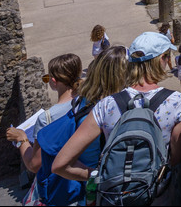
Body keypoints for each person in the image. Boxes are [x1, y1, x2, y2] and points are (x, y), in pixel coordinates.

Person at [52, 33, 181, 200]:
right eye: (167, 57)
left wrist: (101, 176)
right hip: (156, 194)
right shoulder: (176, 101)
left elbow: (60, 165)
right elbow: (175, 156)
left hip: (114, 195)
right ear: (160, 59)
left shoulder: (106, 104)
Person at [31, 46, 128, 207]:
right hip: (101, 192)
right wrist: (102, 176)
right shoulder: (98, 112)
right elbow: (60, 165)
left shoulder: (84, 103)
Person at [4, 53, 84, 187]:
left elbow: (34, 164)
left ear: (53, 81)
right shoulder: (90, 102)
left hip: (63, 185)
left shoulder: (46, 118)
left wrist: (21, 138)